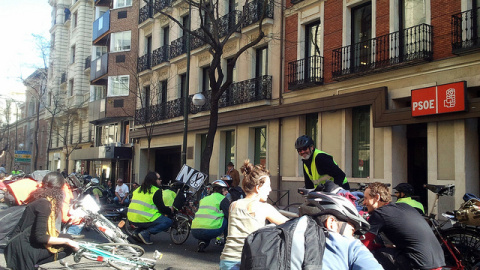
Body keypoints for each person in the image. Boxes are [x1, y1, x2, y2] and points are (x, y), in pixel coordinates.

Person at [247, 191, 382, 269]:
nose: (353, 237)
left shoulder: (268, 237)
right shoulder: (350, 247)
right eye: (352, 231)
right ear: (331, 223)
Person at [220, 160, 289, 270]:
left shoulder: (233, 205)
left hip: (227, 260)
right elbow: (289, 224)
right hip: (247, 261)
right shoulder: (263, 208)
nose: (270, 190)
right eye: (267, 187)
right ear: (258, 188)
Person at [4, 172, 79, 270]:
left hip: (21, 242)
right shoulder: (45, 205)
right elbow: (41, 237)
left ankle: (33, 264)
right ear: (60, 189)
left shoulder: (41, 198)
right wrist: (68, 241)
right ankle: (30, 263)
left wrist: (68, 239)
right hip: (22, 248)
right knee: (68, 246)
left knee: (67, 238)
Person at [362, 182, 445, 270]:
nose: (363, 203)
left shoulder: (379, 213)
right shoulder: (405, 207)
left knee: (372, 254)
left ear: (377, 198)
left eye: (366, 198)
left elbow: (364, 245)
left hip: (419, 265)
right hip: (437, 262)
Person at [127, 172, 174, 245]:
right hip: (144, 218)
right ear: (154, 180)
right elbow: (161, 208)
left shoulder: (138, 189)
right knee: (168, 222)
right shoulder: (156, 191)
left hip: (132, 218)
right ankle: (145, 234)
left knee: (147, 222)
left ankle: (136, 233)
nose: (160, 180)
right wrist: (170, 210)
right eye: (159, 179)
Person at [192, 180, 231, 252]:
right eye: (225, 190)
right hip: (212, 230)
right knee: (228, 219)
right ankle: (228, 245)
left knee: (207, 221)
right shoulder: (222, 199)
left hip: (195, 230)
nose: (227, 192)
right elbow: (229, 215)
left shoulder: (204, 199)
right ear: (219, 190)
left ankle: (202, 242)